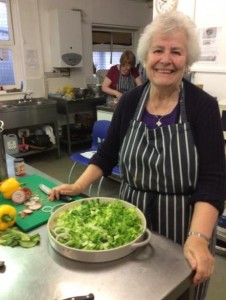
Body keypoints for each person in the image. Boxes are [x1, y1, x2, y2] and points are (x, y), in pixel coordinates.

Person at [50, 11, 226, 300]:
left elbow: (213, 181)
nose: (166, 59)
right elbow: (107, 154)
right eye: (158, 50)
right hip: (129, 227)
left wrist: (197, 239)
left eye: (176, 51)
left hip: (185, 228)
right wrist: (78, 186)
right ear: (146, 57)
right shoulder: (131, 101)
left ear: (188, 59)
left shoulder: (202, 107)